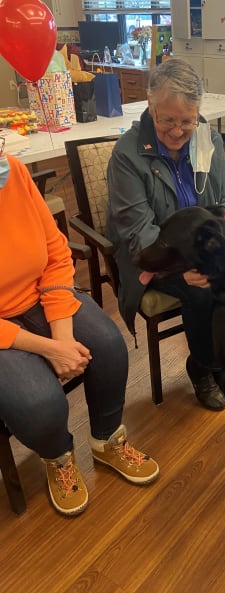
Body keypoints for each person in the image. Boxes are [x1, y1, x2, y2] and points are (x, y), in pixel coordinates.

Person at [0, 149, 159, 517]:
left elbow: (55, 253)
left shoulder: (14, 172)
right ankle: (57, 457)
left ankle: (106, 440)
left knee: (109, 346)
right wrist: (50, 348)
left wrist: (63, 336)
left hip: (38, 293)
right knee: (39, 404)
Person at [106, 58, 225, 411]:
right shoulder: (127, 155)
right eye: (167, 119)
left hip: (202, 248)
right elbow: (139, 234)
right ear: (150, 105)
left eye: (187, 120)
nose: (176, 131)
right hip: (154, 258)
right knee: (202, 291)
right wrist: (182, 269)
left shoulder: (207, 139)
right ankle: (204, 369)